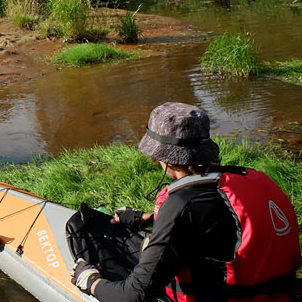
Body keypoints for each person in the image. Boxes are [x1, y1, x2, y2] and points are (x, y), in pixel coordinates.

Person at [71, 102, 301, 302]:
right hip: (284, 294)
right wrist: (149, 220)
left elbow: (134, 296)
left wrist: (90, 280)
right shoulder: (252, 178)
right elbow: (229, 226)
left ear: (160, 156)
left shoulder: (182, 205)